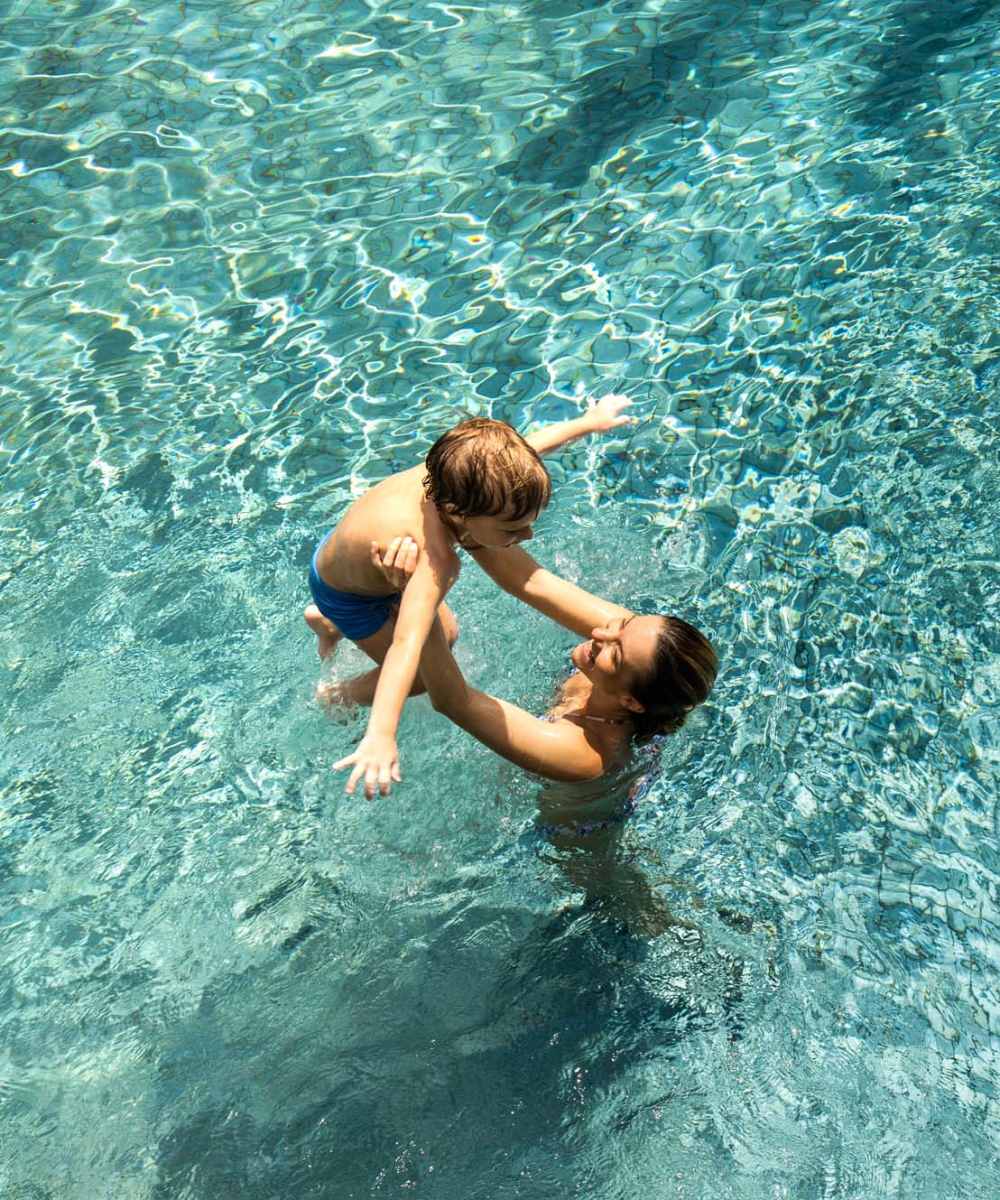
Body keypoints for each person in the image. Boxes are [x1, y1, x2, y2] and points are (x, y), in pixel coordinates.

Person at [305, 397, 634, 798]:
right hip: (349, 595)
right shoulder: (434, 561)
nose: (527, 536)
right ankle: (336, 693)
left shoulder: (453, 473)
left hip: (345, 553)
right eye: (512, 529)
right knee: (422, 677)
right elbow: (406, 644)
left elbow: (525, 450)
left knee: (447, 633)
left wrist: (589, 422)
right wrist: (381, 733)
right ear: (457, 511)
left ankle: (326, 626)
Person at [368, 535, 718, 831]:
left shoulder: (586, 755)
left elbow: (454, 701)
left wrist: (417, 598)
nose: (601, 633)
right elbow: (529, 580)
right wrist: (465, 524)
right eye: (625, 623)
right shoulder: (631, 646)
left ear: (631, 702)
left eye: (616, 653)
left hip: (577, 839)